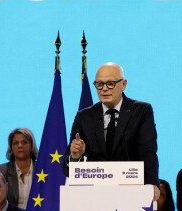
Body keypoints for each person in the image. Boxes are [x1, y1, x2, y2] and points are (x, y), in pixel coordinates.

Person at [62, 62, 160, 200]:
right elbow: (67, 170)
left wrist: (151, 184)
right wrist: (75, 156)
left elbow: (148, 151)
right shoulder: (84, 117)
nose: (104, 89)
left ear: (123, 84)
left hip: (131, 193)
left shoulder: (142, 111)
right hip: (94, 196)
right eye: (99, 84)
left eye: (110, 84)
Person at [0, 128, 38, 209]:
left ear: (31, 146)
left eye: (24, 142)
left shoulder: (42, 169)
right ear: (11, 147)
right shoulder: (1, 171)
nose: (20, 146)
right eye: (16, 143)